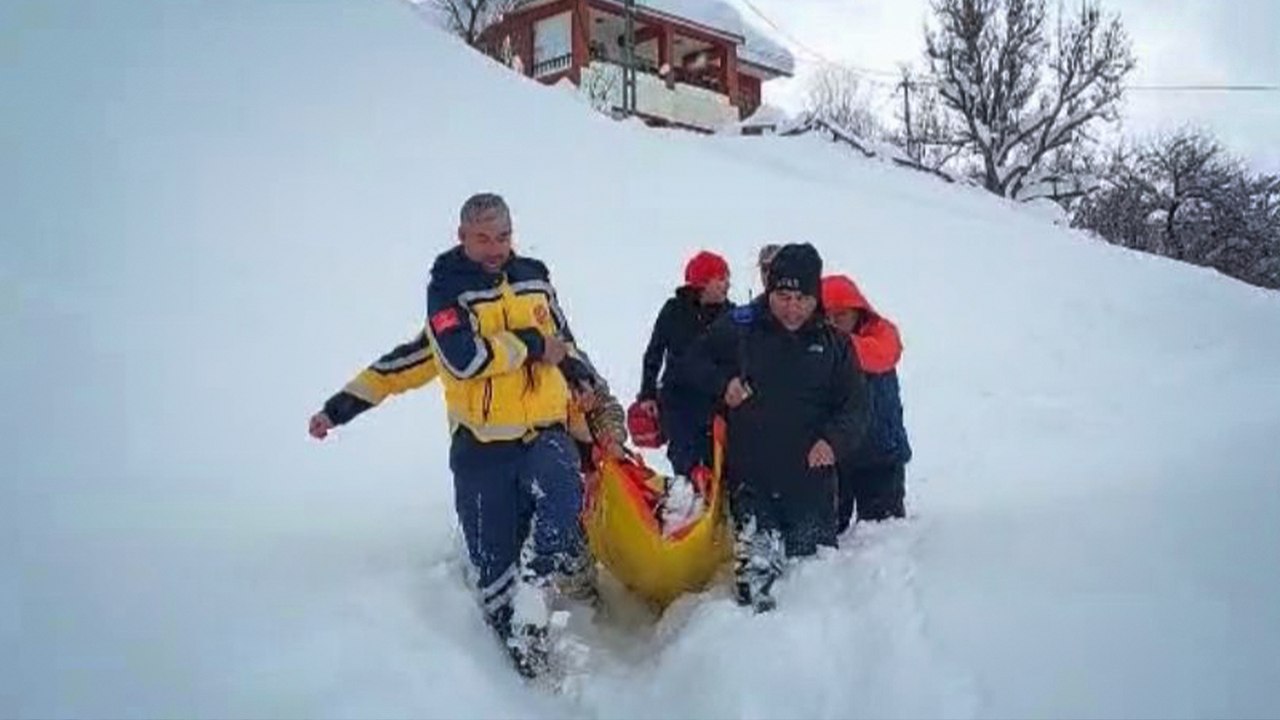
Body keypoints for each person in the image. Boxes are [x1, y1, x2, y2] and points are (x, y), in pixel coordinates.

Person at [308, 193, 614, 679]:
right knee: (495, 575)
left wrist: (581, 376)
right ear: (462, 238)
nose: (496, 249)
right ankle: (518, 659)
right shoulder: (448, 291)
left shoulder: (533, 274)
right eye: (483, 239)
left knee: (563, 494)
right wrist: (338, 409)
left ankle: (545, 587)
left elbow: (563, 338)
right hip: (482, 449)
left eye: (504, 237)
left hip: (544, 432)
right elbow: (458, 360)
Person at [679, 243, 869, 612]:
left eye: (802, 298)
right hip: (752, 482)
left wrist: (833, 441)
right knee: (755, 591)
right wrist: (724, 385)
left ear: (816, 298)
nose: (793, 307)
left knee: (811, 585)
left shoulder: (836, 345)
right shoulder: (741, 327)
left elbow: (856, 408)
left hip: (810, 484)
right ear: (770, 290)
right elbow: (691, 364)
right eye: (783, 296)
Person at [821, 274, 912, 530]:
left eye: (840, 316)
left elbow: (881, 356)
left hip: (879, 456)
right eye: (826, 317)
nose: (833, 323)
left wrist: (829, 345)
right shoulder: (818, 345)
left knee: (884, 536)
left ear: (858, 312)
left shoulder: (883, 333)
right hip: (835, 456)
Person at [636, 250, 734, 478]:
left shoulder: (731, 314)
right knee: (685, 453)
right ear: (703, 282)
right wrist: (647, 393)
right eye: (721, 278)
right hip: (679, 399)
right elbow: (654, 351)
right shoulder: (674, 310)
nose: (727, 284)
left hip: (716, 399)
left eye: (727, 278)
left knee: (721, 455)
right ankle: (690, 488)